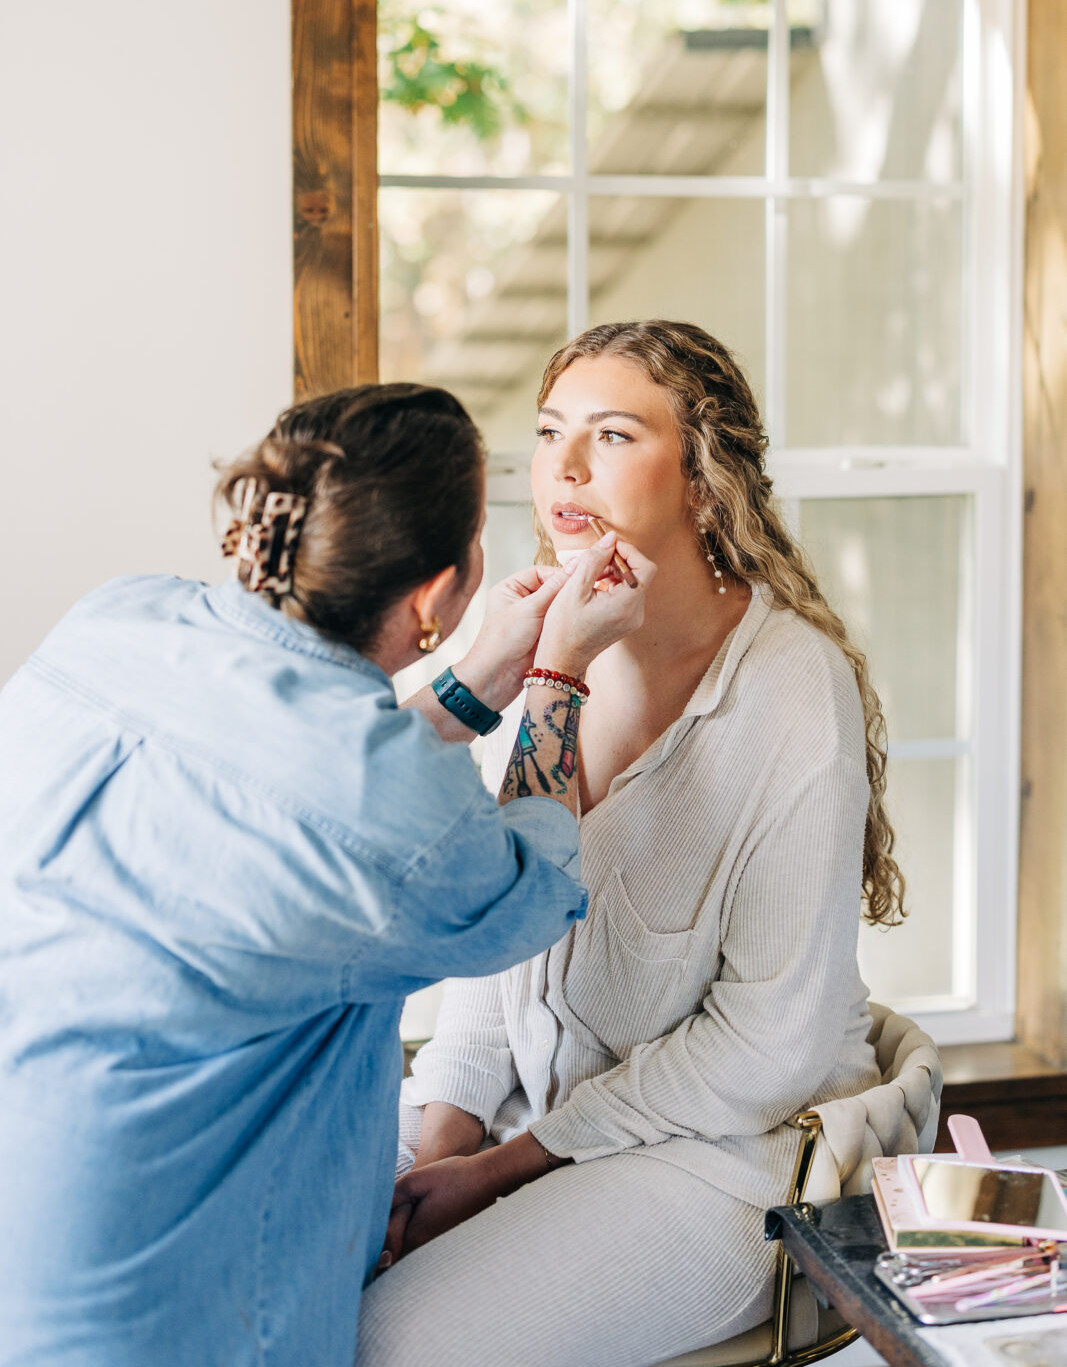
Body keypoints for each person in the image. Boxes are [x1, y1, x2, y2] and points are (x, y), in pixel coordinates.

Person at [0, 382, 654, 1367]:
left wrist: (477, 679)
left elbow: (303, 793)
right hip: (175, 1304)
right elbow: (532, 882)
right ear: (436, 592)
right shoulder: (382, 812)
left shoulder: (121, 618)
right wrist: (557, 674)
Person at [356, 322, 907, 1367]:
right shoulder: (545, 647)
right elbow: (493, 920)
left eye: (610, 434)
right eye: (549, 430)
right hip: (533, 1104)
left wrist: (498, 1169)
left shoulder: (789, 693)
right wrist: (442, 1141)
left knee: (397, 1343)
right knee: (268, 1254)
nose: (561, 466)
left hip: (723, 1147)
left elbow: (763, 1049)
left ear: (703, 482)